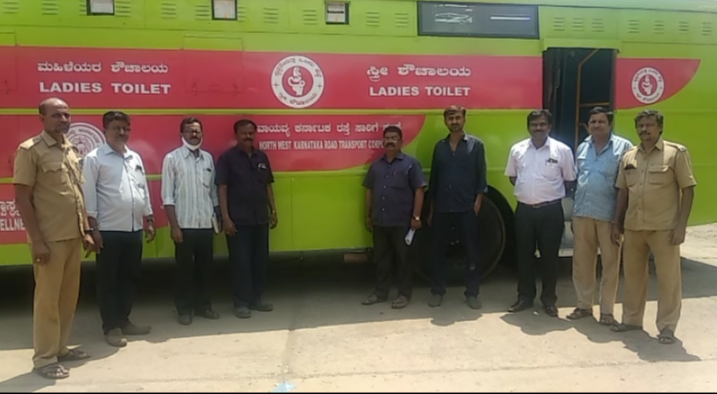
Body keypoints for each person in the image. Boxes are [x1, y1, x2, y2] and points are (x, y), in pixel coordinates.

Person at [13, 98, 95, 379]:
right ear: (42, 118)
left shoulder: (70, 149)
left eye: (67, 114)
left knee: (67, 297)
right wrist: (36, 240)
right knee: (47, 300)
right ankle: (44, 358)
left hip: (73, 236)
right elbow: (22, 198)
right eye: (57, 115)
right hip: (48, 239)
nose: (63, 119)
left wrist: (85, 230)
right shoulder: (30, 150)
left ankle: (60, 347)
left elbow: (77, 194)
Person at [611, 109, 696, 345]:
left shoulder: (675, 153)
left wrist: (681, 225)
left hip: (664, 228)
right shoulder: (629, 156)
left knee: (669, 280)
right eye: (640, 126)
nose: (644, 130)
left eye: (649, 125)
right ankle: (631, 320)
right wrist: (616, 222)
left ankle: (667, 327)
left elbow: (687, 190)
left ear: (660, 127)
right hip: (634, 226)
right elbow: (622, 191)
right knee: (633, 277)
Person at [82, 110, 156, 347]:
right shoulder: (94, 158)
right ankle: (110, 327)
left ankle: (124, 320)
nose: (122, 132)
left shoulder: (134, 157)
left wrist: (149, 217)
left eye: (125, 128)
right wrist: (93, 229)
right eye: (116, 128)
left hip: (134, 228)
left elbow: (142, 188)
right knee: (108, 280)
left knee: (130, 277)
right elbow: (89, 196)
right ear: (105, 130)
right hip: (108, 231)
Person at [505, 109, 576, 317]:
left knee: (549, 258)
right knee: (524, 255)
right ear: (528, 127)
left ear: (549, 127)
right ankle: (525, 297)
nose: (538, 128)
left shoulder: (562, 150)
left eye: (542, 124)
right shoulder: (517, 149)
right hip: (525, 211)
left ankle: (548, 300)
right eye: (534, 124)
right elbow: (513, 177)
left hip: (551, 211)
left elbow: (569, 179)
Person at [567, 107, 633, 325]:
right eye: (593, 121)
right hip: (583, 213)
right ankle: (584, 306)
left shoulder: (623, 147)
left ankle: (606, 312)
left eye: (601, 121)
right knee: (582, 263)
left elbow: (626, 186)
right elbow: (578, 180)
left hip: (608, 217)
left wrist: (618, 220)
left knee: (610, 264)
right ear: (588, 125)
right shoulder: (583, 147)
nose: (596, 125)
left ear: (610, 124)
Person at [216, 119, 278, 319]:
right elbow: (222, 188)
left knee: (260, 261)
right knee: (241, 264)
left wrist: (273, 210)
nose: (248, 136)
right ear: (236, 135)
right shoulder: (227, 159)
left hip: (260, 218)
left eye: (251, 133)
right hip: (238, 221)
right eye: (244, 133)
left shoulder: (261, 157)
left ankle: (256, 299)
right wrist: (226, 218)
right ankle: (240, 302)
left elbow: (268, 185)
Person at [427, 105, 487, 310]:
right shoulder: (440, 147)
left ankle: (472, 293)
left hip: (466, 208)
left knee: (471, 251)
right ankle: (437, 291)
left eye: (457, 117)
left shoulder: (476, 146)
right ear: (445, 121)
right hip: (443, 207)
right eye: (450, 118)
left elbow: (481, 178)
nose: (454, 121)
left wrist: (477, 204)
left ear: (464, 119)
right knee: (437, 251)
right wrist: (432, 209)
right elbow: (434, 179)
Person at [161, 117, 220, 325]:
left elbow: (212, 192)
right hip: (184, 226)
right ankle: (184, 309)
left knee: (206, 269)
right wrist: (174, 226)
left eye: (197, 131)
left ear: (202, 133)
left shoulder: (208, 159)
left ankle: (205, 306)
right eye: (189, 131)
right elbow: (167, 196)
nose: (194, 134)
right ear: (182, 135)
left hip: (205, 224)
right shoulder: (172, 158)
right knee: (184, 271)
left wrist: (216, 219)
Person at [361, 126, 427, 309]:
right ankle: (380, 293)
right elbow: (369, 191)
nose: (390, 141)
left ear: (401, 141)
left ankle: (404, 294)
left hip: (402, 222)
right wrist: (367, 215)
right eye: (387, 138)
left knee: (403, 259)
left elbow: (419, 190)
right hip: (380, 221)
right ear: (383, 141)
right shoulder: (376, 166)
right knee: (381, 259)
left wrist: (416, 216)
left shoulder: (411, 164)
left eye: (394, 138)